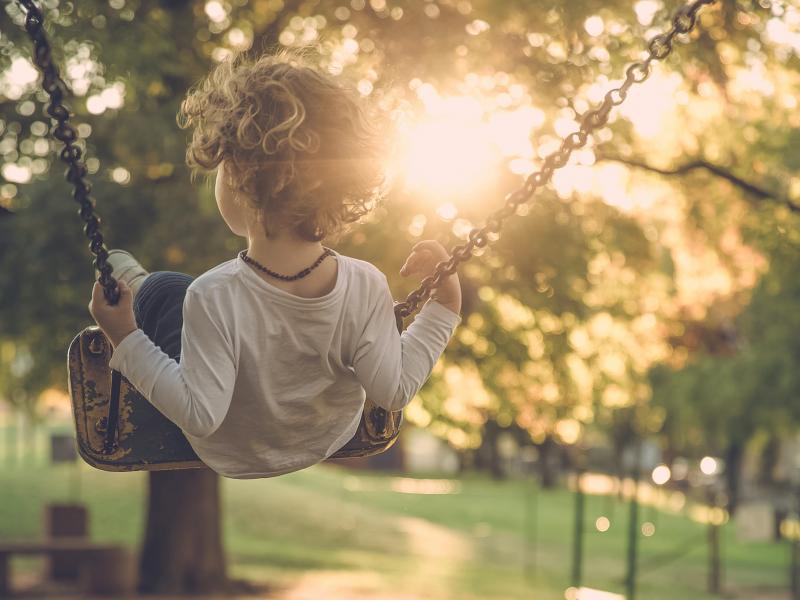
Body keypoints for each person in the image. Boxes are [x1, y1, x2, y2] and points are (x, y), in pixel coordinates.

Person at [88, 52, 461, 479]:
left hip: (231, 449)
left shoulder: (211, 295)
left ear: (243, 176)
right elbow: (393, 390)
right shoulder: (366, 284)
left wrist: (124, 337)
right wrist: (443, 308)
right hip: (325, 438)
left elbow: (199, 415)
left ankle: (136, 285)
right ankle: (138, 283)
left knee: (164, 290)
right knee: (180, 295)